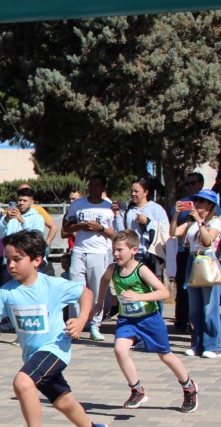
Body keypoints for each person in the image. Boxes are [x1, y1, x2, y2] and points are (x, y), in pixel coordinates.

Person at [0, 230, 107, 427]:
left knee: (22, 382)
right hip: (33, 356)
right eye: (7, 259)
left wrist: (81, 321)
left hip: (55, 348)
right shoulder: (6, 292)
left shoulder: (53, 286)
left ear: (36, 260)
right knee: (63, 402)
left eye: (17, 259)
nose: (11, 265)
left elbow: (86, 293)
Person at [90, 230, 198, 412]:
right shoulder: (112, 269)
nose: (115, 254)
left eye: (119, 250)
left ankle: (189, 387)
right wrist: (100, 303)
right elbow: (103, 280)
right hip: (127, 320)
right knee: (119, 349)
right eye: (113, 250)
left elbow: (165, 292)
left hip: (149, 319)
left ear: (133, 250)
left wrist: (140, 297)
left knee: (165, 355)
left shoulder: (141, 269)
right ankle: (137, 389)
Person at [62, 175, 115, 341]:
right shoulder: (78, 204)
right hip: (79, 250)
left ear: (103, 188)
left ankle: (94, 325)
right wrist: (80, 226)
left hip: (99, 252)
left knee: (97, 290)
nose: (93, 188)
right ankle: (75, 325)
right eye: (91, 185)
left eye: (97, 185)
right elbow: (66, 226)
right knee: (75, 289)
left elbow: (116, 234)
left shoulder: (109, 207)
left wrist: (100, 229)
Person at [173, 188, 221, 358]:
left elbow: (208, 240)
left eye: (201, 201)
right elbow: (173, 233)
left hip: (208, 261)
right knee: (194, 307)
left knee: (209, 306)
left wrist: (200, 222)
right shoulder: (191, 222)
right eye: (196, 201)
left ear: (210, 205)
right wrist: (177, 215)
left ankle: (212, 345)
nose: (197, 204)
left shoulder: (216, 222)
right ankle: (196, 344)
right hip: (192, 261)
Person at [113, 177, 170, 277]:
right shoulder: (128, 210)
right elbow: (121, 232)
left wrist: (148, 222)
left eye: (136, 191)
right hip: (131, 254)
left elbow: (165, 230)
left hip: (150, 254)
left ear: (145, 192)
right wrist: (117, 215)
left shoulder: (156, 209)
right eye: (132, 191)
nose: (133, 194)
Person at [171, 172, 206, 332]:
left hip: (205, 253)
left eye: (192, 183)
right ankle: (181, 320)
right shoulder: (182, 203)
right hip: (184, 250)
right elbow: (173, 230)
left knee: (204, 288)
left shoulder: (209, 202)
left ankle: (204, 325)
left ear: (200, 183)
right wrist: (179, 213)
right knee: (184, 288)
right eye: (187, 184)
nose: (190, 187)